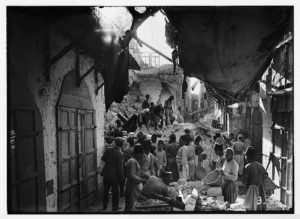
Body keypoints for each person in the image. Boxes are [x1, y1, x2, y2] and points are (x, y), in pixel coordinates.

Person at [101, 137, 124, 211]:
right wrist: (122, 178)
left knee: (105, 191)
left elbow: (103, 158)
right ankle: (115, 207)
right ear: (121, 145)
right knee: (115, 192)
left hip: (106, 172)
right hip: (114, 175)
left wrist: (109, 162)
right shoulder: (120, 153)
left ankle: (104, 206)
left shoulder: (108, 149)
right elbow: (120, 168)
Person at [242, 146, 268, 211]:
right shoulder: (260, 165)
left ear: (246, 156)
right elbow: (266, 174)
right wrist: (260, 179)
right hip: (260, 188)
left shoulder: (248, 166)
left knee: (251, 208)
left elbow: (244, 181)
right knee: (259, 207)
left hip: (251, 190)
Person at [124, 144, 146, 211]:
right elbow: (132, 175)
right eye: (141, 154)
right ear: (138, 154)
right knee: (132, 205)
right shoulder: (133, 161)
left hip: (133, 186)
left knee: (131, 205)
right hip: (132, 187)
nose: (142, 156)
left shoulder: (133, 160)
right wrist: (142, 180)